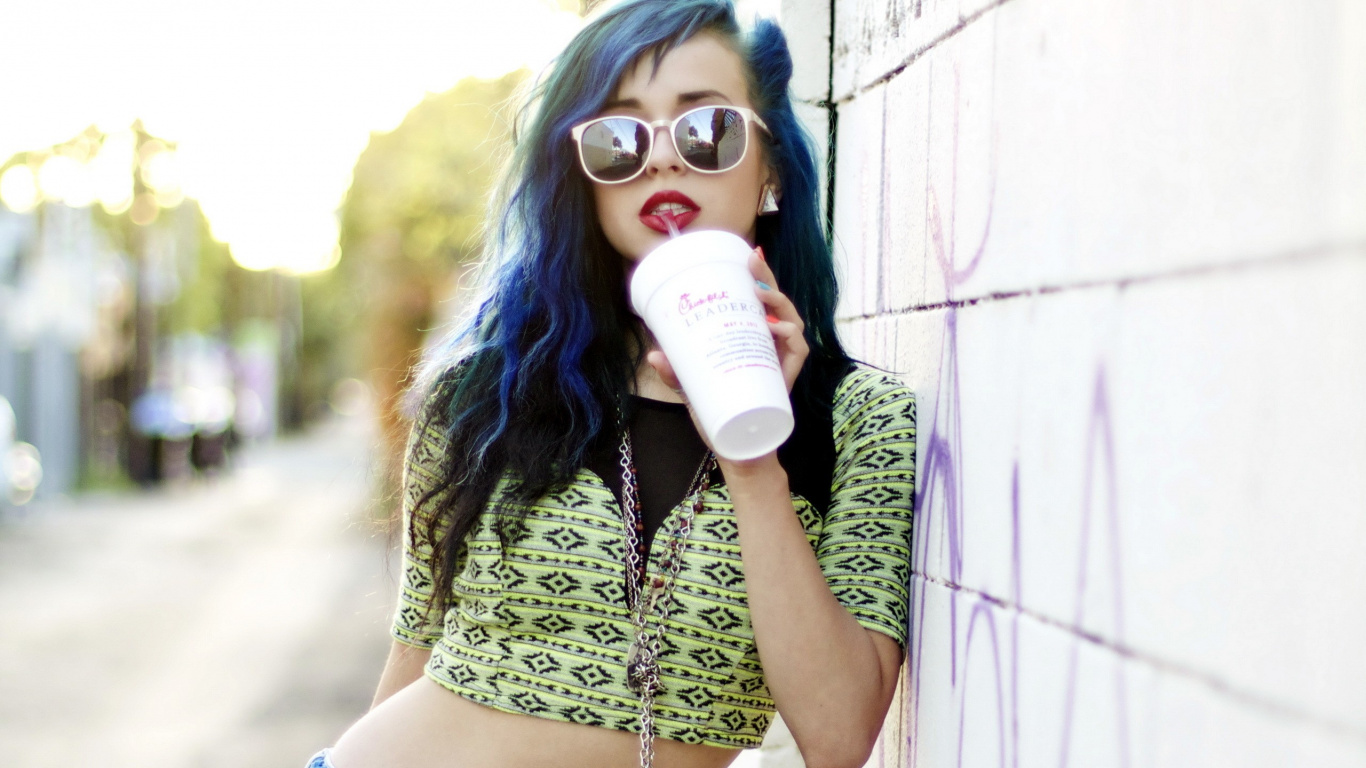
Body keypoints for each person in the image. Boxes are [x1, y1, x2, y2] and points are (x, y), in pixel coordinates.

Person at [315, 1, 916, 766]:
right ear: (584, 182)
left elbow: (839, 737)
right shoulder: (481, 400)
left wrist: (751, 460)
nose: (661, 161)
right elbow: (416, 655)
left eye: (706, 130)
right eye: (618, 139)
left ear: (769, 164)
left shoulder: (860, 421)